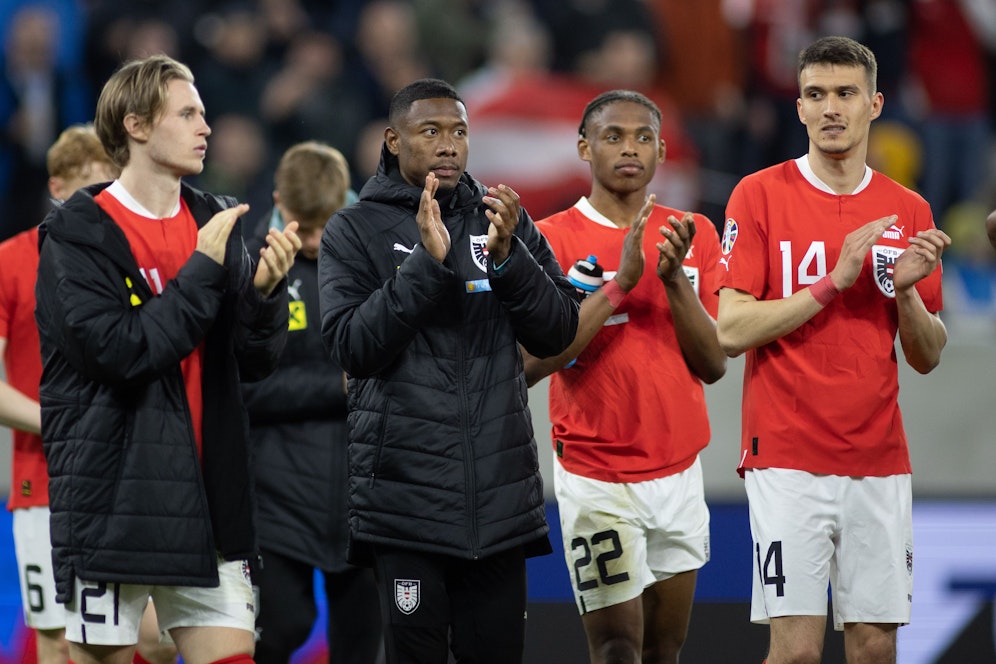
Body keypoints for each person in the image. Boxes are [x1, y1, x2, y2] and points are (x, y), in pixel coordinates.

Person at [33, 54, 301, 664]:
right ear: (136, 125)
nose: (206, 126)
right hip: (113, 509)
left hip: (211, 510)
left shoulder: (216, 221)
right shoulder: (78, 237)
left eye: (204, 113)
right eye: (188, 113)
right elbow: (122, 352)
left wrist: (263, 299)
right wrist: (203, 271)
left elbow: (251, 363)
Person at [318, 78, 580, 664]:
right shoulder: (353, 230)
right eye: (430, 131)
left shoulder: (502, 219)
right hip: (405, 507)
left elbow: (560, 330)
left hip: (499, 505)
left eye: (459, 131)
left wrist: (511, 260)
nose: (448, 145)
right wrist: (426, 268)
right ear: (392, 140)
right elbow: (351, 348)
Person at [715, 36, 950, 664]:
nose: (830, 108)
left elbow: (928, 353)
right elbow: (730, 329)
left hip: (879, 456)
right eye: (816, 94)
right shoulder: (758, 195)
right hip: (787, 454)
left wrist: (904, 297)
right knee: (794, 654)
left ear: (874, 104)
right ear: (798, 108)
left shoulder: (909, 209)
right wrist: (831, 282)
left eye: (845, 93)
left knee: (875, 649)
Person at [521, 90, 727, 664]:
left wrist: (673, 279)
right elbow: (528, 366)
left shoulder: (693, 235)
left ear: (662, 150)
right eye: (613, 136)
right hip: (596, 476)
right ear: (585, 147)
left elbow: (713, 364)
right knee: (616, 647)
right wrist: (617, 285)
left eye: (642, 137)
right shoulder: (548, 240)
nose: (629, 148)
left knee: (666, 648)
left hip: (679, 470)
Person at [0, 124, 178, 664]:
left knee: (158, 634)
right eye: (91, 184)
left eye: (113, 184)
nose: (104, 199)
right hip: (45, 481)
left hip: (132, 473)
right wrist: (65, 421)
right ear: (57, 186)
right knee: (58, 637)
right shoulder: (10, 261)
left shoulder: (135, 258)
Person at [243, 141, 382, 664]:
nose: (319, 240)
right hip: (276, 498)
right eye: (306, 226)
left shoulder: (378, 258)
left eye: (330, 223)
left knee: (360, 647)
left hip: (365, 494)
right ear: (279, 201)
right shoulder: (249, 264)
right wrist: (337, 387)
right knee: (281, 630)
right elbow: (242, 387)